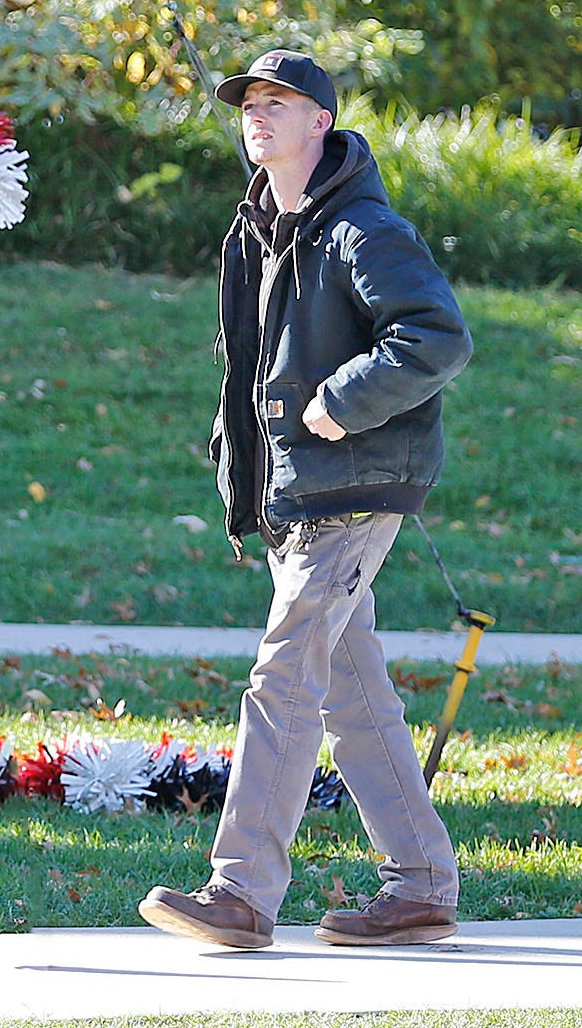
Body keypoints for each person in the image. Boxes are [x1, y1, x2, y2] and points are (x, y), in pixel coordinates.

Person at [139, 48, 473, 953]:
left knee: (284, 678)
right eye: (249, 101)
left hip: (352, 489)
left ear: (321, 121)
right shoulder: (260, 231)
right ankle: (422, 886)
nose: (257, 113)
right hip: (297, 492)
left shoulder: (362, 229)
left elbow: (437, 337)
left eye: (278, 101)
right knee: (351, 697)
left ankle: (241, 893)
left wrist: (342, 400)